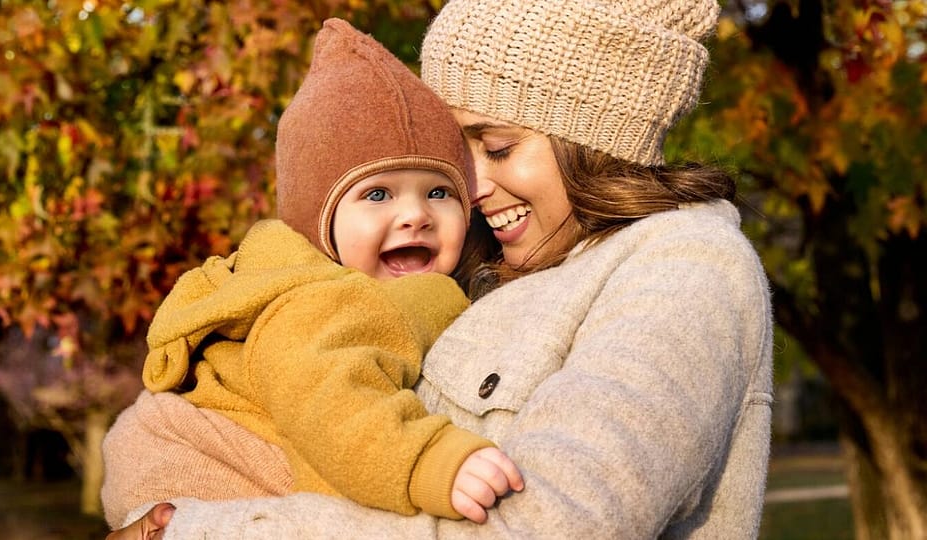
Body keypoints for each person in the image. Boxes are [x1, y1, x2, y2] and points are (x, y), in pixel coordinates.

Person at [109, 0, 775, 538]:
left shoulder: (682, 266)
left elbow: (549, 526)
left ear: (593, 139)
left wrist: (197, 532)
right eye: (457, 157)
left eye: (498, 146)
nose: (472, 188)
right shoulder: (479, 268)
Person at [100, 17, 523, 531]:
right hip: (205, 467)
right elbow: (331, 399)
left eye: (439, 192)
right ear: (319, 219)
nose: (415, 215)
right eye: (377, 195)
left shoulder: (369, 285)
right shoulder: (319, 299)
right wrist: (430, 460)